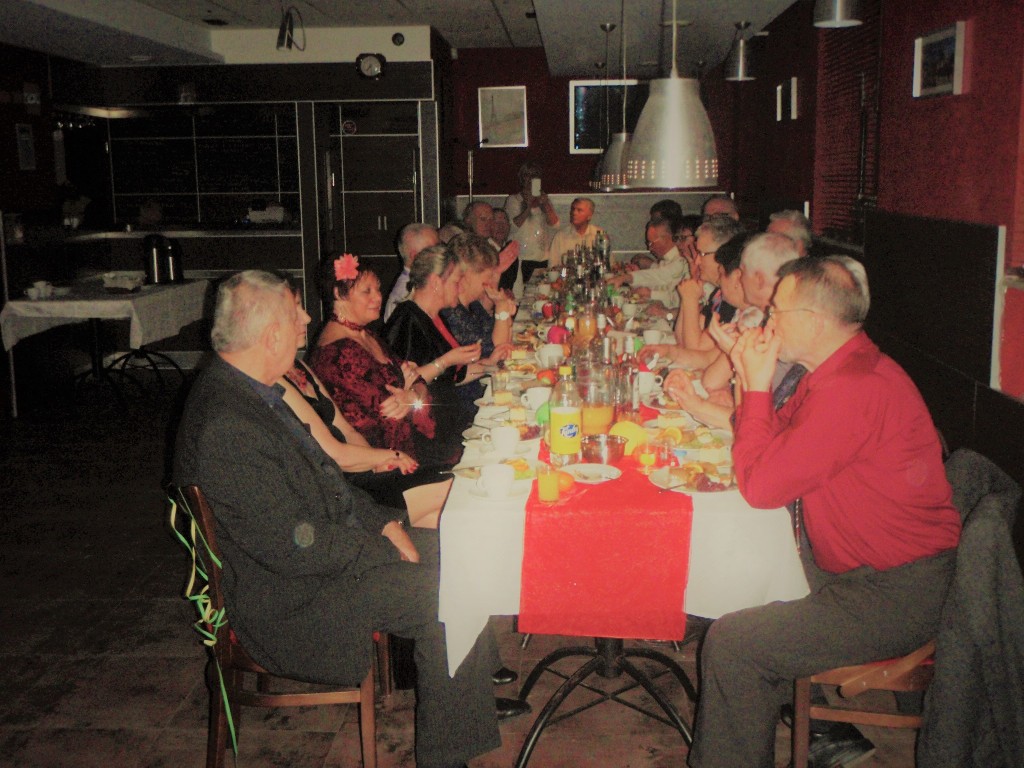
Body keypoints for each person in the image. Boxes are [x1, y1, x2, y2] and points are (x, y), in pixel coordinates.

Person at [173, 270, 503, 768]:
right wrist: (382, 547)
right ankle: (448, 756)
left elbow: (328, 481)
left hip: (321, 561)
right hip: (291, 599)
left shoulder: (253, 389)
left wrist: (384, 523)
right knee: (445, 596)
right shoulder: (227, 423)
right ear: (271, 335)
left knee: (461, 551)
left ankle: (467, 708)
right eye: (295, 313)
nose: (308, 318)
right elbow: (290, 546)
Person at [687, 256, 961, 768]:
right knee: (744, 571)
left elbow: (761, 487)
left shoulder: (855, 389)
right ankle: (808, 728)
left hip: (895, 591)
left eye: (777, 311)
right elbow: (771, 440)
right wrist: (747, 378)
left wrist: (757, 384)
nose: (768, 321)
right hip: (858, 569)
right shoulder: (839, 370)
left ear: (812, 321)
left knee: (734, 645)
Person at [307, 254, 446, 466]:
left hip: (409, 451)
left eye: (378, 289)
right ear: (339, 294)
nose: (378, 297)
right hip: (384, 465)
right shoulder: (337, 354)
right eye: (367, 291)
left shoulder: (366, 335)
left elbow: (416, 381)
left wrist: (412, 395)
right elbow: (389, 420)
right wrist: (413, 394)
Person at [384, 245, 486, 455]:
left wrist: (492, 365)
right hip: (428, 435)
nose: (460, 288)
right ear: (436, 283)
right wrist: (446, 361)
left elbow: (453, 376)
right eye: (456, 282)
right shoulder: (407, 319)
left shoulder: (436, 317)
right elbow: (406, 382)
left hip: (450, 421)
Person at [440, 233, 517, 403]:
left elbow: (503, 348)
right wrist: (502, 310)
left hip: (489, 388)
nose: (491, 282)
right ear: (467, 276)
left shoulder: (473, 306)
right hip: (472, 400)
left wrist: (504, 313)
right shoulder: (452, 313)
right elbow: (496, 350)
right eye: (488, 276)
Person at [606, 217, 688, 308]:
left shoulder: (681, 260)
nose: (649, 248)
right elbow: (657, 280)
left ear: (667, 238)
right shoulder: (666, 260)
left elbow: (659, 276)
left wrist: (625, 278)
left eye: (651, 243)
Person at [503, 162, 559, 288]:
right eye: (526, 175)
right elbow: (512, 226)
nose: (530, 179)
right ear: (521, 178)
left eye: (534, 175)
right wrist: (528, 206)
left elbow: (555, 224)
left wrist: (545, 204)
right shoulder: (514, 200)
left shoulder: (543, 200)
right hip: (522, 259)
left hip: (542, 258)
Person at [386, 223, 440, 322]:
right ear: (415, 256)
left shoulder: (425, 282)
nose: (441, 254)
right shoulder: (404, 295)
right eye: (434, 250)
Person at [546, 197, 602, 267]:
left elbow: (607, 264)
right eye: (573, 209)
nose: (574, 213)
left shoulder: (599, 235)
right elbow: (552, 266)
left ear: (589, 216)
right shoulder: (560, 236)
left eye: (579, 210)